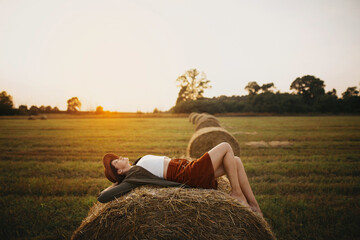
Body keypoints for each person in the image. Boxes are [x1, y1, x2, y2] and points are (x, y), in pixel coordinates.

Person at [98, 142, 262, 217]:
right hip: (188, 174)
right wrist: (116, 182)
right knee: (226, 146)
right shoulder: (133, 177)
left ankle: (254, 206)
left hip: (187, 167)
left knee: (236, 161)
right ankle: (237, 193)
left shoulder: (137, 164)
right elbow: (103, 197)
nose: (119, 157)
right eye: (116, 161)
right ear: (119, 170)